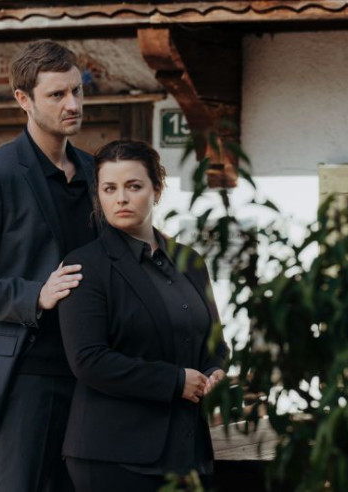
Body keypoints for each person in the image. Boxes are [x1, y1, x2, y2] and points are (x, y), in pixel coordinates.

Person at [0, 39, 98, 492]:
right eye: (57, 94)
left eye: (77, 90)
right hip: (24, 376)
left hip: (91, 374)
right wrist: (36, 295)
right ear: (23, 99)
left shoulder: (95, 172)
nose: (73, 104)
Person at [58, 140, 230, 491]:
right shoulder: (85, 265)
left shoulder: (190, 261)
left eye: (133, 186)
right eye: (109, 188)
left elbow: (215, 343)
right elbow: (88, 360)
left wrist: (215, 370)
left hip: (188, 451)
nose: (121, 198)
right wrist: (175, 381)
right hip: (114, 456)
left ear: (157, 190)